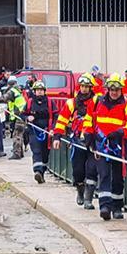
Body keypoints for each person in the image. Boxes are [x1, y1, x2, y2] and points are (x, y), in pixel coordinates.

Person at [83, 74, 127, 221]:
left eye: (117, 89)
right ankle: (105, 207)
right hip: (101, 145)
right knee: (104, 175)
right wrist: (89, 136)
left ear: (121, 90)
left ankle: (117, 207)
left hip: (118, 146)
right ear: (107, 89)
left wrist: (121, 132)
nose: (114, 92)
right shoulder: (97, 102)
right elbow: (89, 119)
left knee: (118, 178)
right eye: (112, 89)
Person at [54, 74, 97, 207]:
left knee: (92, 170)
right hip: (78, 141)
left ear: (91, 87)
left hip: (93, 141)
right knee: (78, 171)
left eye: (87, 87)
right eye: (82, 86)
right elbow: (61, 121)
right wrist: (57, 137)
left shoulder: (96, 102)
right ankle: (80, 191)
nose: (84, 89)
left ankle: (88, 199)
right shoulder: (71, 103)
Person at [22, 81, 56, 182]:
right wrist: (28, 117)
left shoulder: (50, 102)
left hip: (46, 131)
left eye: (41, 90)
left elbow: (56, 116)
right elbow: (22, 114)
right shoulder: (30, 102)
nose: (39, 92)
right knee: (36, 151)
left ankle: (42, 172)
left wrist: (53, 129)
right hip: (33, 131)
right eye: (38, 90)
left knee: (45, 154)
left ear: (44, 91)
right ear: (34, 91)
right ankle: (37, 171)